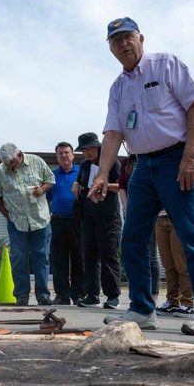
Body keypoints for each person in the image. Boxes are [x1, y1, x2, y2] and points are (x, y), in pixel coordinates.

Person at [90, 17, 194, 336]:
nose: (122, 44)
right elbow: (112, 132)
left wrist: (191, 155)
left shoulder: (166, 65)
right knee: (132, 238)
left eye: (127, 37)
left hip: (178, 158)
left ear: (141, 38)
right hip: (142, 167)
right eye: (115, 41)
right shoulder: (118, 87)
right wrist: (102, 173)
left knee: (192, 236)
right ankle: (142, 309)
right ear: (110, 49)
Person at [0, 143, 55, 306]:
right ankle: (21, 295)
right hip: (16, 222)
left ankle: (43, 295)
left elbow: (50, 180)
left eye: (11, 163)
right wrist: (8, 216)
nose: (9, 166)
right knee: (19, 259)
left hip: (40, 219)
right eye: (6, 164)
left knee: (41, 258)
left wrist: (42, 189)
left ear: (19, 156)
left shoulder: (37, 161)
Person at [74, 132, 121, 309]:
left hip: (108, 216)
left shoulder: (111, 162)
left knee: (108, 254)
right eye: (83, 150)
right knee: (90, 255)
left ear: (98, 146)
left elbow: (121, 185)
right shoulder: (85, 165)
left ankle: (113, 296)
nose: (87, 153)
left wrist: (106, 185)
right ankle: (92, 295)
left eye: (90, 148)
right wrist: (76, 184)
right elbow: (80, 182)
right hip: (88, 215)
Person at [117, 153, 162, 310]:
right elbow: (122, 186)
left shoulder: (153, 158)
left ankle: (154, 295)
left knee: (150, 254)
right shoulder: (126, 162)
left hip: (151, 210)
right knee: (132, 249)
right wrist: (126, 206)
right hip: (132, 210)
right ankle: (139, 300)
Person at [46, 141, 83, 305]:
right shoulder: (51, 176)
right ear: (57, 157)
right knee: (59, 259)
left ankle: (79, 294)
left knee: (79, 258)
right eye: (60, 153)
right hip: (58, 221)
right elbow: (46, 200)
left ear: (73, 155)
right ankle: (62, 295)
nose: (64, 156)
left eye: (67, 152)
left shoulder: (82, 172)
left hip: (78, 221)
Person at [153, 211, 194, 317]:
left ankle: (187, 303)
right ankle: (172, 301)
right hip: (159, 218)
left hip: (178, 216)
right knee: (168, 265)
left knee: (181, 264)